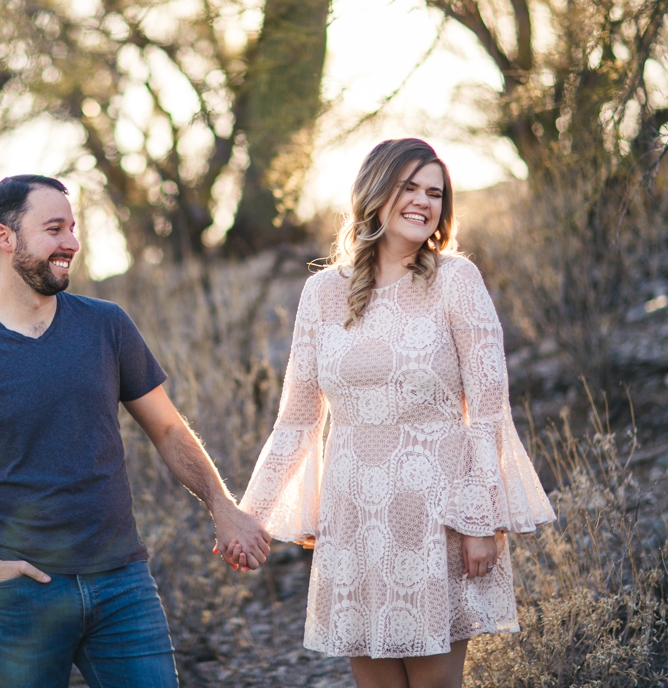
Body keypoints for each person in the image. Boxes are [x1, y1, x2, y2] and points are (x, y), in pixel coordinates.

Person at [0, 174, 271, 688]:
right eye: (54, 228)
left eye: (73, 228)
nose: (71, 242)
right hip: (21, 597)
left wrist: (223, 508)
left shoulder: (106, 325)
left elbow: (167, 429)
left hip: (122, 583)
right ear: (5, 238)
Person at [231, 139, 556, 688]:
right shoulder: (322, 294)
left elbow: (488, 411)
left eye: (435, 192)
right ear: (375, 192)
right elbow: (298, 420)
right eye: (409, 186)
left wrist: (481, 523)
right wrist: (250, 515)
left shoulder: (455, 280)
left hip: (436, 512)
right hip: (353, 515)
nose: (424, 201)